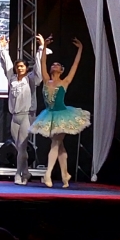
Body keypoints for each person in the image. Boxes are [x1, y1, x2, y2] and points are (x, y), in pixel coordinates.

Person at [29, 35, 91, 188]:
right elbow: (43, 62)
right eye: (53, 64)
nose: (54, 65)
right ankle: (65, 175)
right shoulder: (45, 79)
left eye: (57, 65)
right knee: (60, 146)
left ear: (62, 70)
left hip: (62, 115)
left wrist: (80, 49)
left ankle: (47, 174)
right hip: (49, 115)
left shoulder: (65, 82)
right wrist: (44, 47)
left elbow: (75, 64)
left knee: (56, 143)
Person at [0, 34, 47, 185]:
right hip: (15, 117)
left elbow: (39, 69)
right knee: (19, 147)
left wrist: (41, 48)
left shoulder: (31, 79)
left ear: (26, 68)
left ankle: (18, 174)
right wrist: (3, 47)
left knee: (23, 145)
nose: (19, 68)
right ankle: (26, 172)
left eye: (22, 66)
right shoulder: (12, 78)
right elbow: (6, 64)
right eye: (18, 66)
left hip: (27, 115)